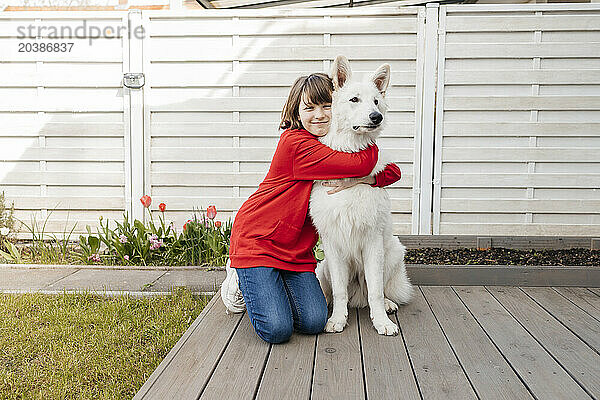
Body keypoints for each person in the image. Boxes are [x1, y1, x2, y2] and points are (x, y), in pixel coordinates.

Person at [227, 72, 402, 344]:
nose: (319, 115)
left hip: (294, 250)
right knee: (277, 330)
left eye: (326, 106)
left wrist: (370, 177)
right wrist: (368, 170)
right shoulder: (296, 144)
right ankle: (241, 281)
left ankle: (276, 285)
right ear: (296, 111)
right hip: (259, 242)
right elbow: (362, 162)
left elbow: (391, 170)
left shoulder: (327, 142)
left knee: (314, 321)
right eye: (309, 108)